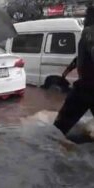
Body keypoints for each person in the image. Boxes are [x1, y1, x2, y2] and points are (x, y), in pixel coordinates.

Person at [54, 6, 94, 137]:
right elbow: (81, 57)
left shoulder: (89, 32)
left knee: (58, 129)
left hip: (86, 88)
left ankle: (56, 151)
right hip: (87, 87)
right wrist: (66, 72)